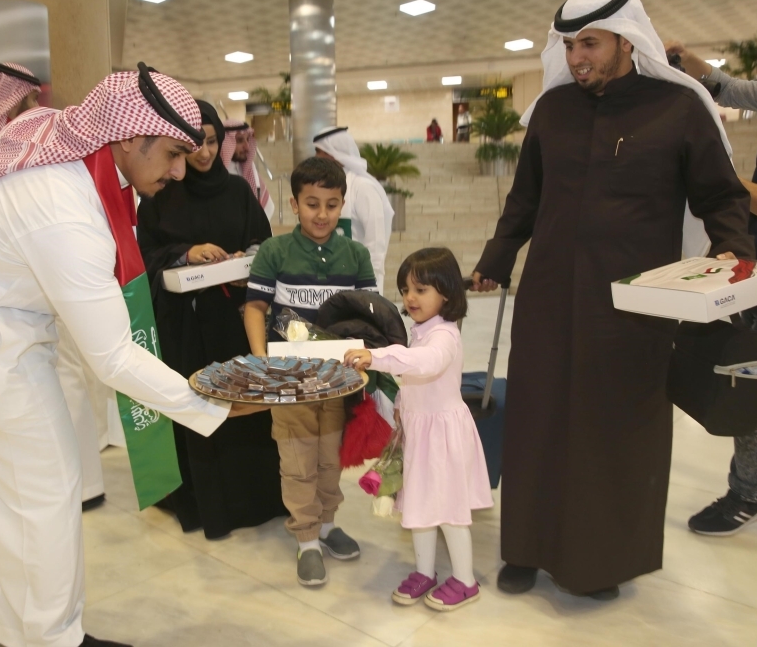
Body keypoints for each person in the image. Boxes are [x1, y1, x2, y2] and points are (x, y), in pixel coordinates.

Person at [0, 65, 266, 647]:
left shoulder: (72, 152)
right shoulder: (65, 208)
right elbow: (113, 357)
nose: (177, 170)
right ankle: (52, 635)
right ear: (128, 136)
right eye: (171, 153)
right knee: (46, 485)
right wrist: (210, 402)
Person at [468, 0, 755, 599]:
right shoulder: (551, 111)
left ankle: (602, 561)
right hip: (548, 300)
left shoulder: (679, 110)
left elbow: (721, 195)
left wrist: (732, 250)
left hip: (633, 310)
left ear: (626, 40)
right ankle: (526, 548)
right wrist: (497, 256)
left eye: (590, 45)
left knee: (614, 429)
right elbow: (525, 199)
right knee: (539, 421)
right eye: (569, 46)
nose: (576, 59)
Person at [665, 0, 757, 553]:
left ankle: (748, 493)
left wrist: (722, 182)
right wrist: (685, 60)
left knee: (752, 386)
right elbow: (727, 88)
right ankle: (753, 489)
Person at [0, 61, 111, 510]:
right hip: (4, 308)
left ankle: (87, 482)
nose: (27, 113)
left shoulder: (43, 149)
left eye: (32, 102)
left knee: (71, 377)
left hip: (53, 287)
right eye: (20, 105)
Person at [138, 100, 287, 539]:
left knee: (244, 409)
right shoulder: (161, 195)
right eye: (193, 143)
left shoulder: (239, 192)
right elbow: (145, 257)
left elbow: (265, 245)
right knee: (198, 409)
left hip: (235, 324)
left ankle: (257, 500)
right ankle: (207, 508)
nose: (202, 153)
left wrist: (249, 259)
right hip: (186, 328)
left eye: (209, 141)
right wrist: (188, 254)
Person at [244, 156, 377, 586]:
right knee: (297, 459)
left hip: (338, 381)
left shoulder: (356, 255)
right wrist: (262, 359)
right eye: (312, 203)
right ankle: (305, 539)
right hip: (289, 379)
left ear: (343, 205)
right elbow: (255, 308)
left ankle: (327, 524)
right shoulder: (274, 250)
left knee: (329, 458)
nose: (322, 214)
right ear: (295, 204)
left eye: (332, 204)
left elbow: (369, 315)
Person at [345, 247, 493, 611]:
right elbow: (414, 379)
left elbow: (424, 364)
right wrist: (400, 407)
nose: (410, 298)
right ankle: (425, 572)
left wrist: (375, 357)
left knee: (449, 512)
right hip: (419, 433)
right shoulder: (421, 330)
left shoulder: (444, 336)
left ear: (446, 293)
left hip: (442, 438)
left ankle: (465, 580)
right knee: (420, 507)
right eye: (406, 289)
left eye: (421, 290)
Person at [313, 127, 395, 293]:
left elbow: (376, 244)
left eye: (320, 152)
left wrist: (368, 286)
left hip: (361, 283)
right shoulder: (330, 187)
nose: (316, 158)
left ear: (335, 154)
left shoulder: (363, 187)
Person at [219, 119, 274, 218]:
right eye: (240, 140)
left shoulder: (249, 169)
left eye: (248, 139)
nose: (247, 147)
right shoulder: (218, 173)